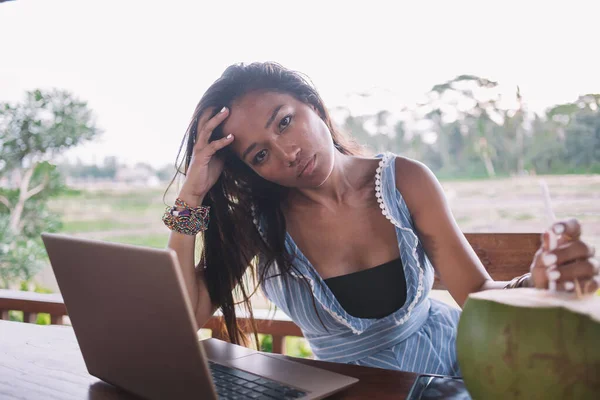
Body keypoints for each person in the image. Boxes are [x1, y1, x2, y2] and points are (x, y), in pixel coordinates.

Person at [163, 62, 599, 376]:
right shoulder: (259, 223)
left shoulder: (404, 180)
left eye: (285, 122)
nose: (287, 153)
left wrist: (534, 283)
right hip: (347, 389)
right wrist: (192, 194)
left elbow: (479, 294)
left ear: (312, 104)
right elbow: (187, 315)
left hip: (450, 371)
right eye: (260, 154)